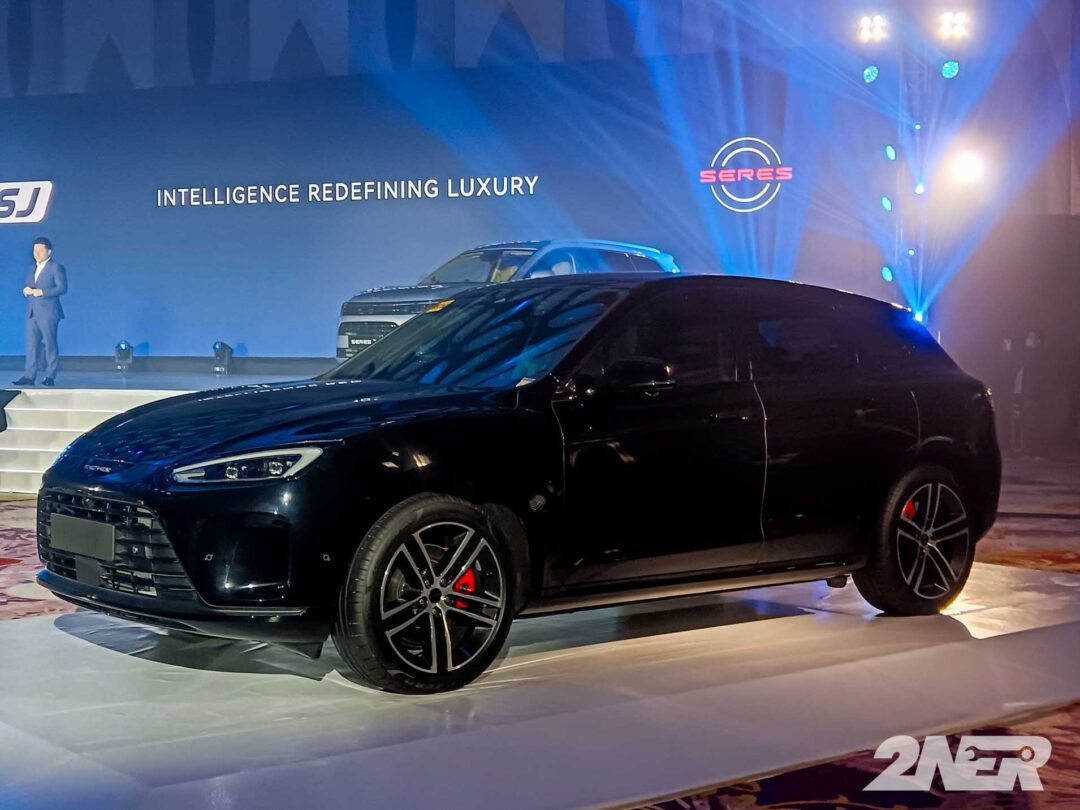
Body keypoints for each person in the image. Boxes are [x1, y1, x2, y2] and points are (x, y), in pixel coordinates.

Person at [11, 236, 67, 387]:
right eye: (35, 250)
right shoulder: (32, 268)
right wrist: (26, 289)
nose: (37, 254)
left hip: (49, 312)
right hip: (32, 312)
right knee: (31, 345)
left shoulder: (55, 267)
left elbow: (62, 288)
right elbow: (28, 284)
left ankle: (50, 375)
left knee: (49, 344)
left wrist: (42, 292)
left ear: (49, 252)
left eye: (40, 251)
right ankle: (29, 376)